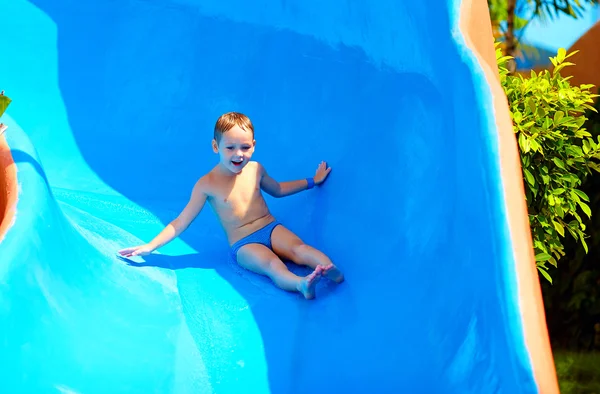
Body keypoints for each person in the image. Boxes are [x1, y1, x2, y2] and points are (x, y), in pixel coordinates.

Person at [118, 112, 344, 299]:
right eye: (230, 148)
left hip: (270, 227)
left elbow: (279, 189)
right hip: (244, 244)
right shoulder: (206, 185)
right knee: (273, 265)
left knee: (299, 248)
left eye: (245, 147)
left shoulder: (255, 169)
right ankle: (301, 284)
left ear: (253, 146)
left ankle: (328, 267)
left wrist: (313, 181)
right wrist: (150, 246)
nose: (238, 154)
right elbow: (180, 223)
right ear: (215, 146)